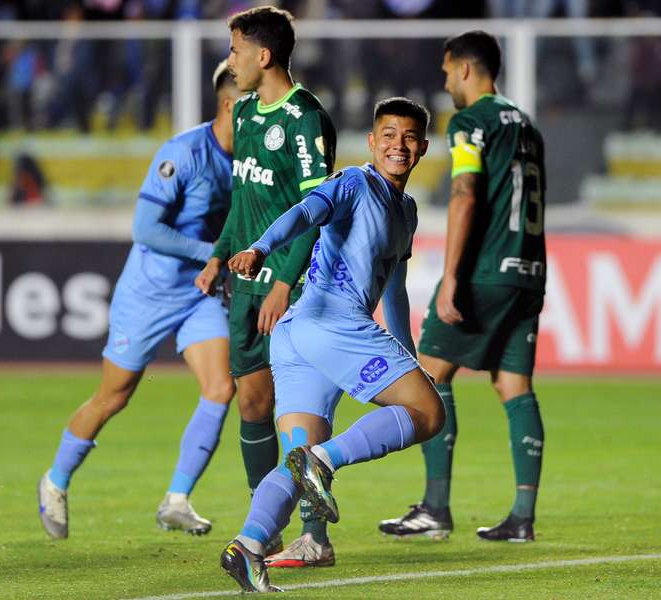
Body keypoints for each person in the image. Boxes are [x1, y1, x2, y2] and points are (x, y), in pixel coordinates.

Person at [218, 96, 443, 593]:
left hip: (298, 334)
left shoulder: (404, 210)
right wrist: (261, 247)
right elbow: (304, 212)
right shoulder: (352, 183)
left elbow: (395, 290)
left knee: (293, 459)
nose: (397, 146)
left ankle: (249, 546)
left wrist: (407, 354)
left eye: (408, 137)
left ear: (424, 146)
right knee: (428, 414)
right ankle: (325, 461)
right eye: (388, 135)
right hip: (331, 323)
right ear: (371, 141)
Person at [37, 60, 240, 540]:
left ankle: (177, 499)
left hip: (201, 293)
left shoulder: (250, 161)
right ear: (234, 104)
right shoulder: (184, 152)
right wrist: (211, 252)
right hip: (150, 292)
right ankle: (56, 480)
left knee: (220, 388)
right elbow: (145, 229)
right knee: (114, 396)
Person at [378, 30, 548, 543]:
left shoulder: (471, 122)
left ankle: (434, 507)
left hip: (484, 272)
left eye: (449, 70)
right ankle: (522, 516)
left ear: (468, 69)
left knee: (428, 377)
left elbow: (464, 196)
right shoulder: (527, 126)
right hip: (529, 273)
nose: (446, 80)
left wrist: (451, 277)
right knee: (513, 385)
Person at [194, 6, 338, 568]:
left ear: (263, 55)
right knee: (252, 402)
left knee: (298, 412)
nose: (229, 61)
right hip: (245, 287)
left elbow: (316, 210)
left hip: (292, 290)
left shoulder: (304, 118)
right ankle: (266, 523)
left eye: (234, 51)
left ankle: (314, 537)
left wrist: (286, 280)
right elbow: (243, 200)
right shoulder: (248, 112)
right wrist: (215, 256)